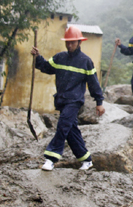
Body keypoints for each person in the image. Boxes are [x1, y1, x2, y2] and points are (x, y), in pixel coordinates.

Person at [31, 26, 105, 171]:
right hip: (62, 100)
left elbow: (93, 83)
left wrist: (99, 102)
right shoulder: (60, 58)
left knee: (63, 125)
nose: (69, 45)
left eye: (72, 42)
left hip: (75, 101)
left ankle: (51, 159)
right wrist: (37, 57)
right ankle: (86, 159)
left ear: (79, 42)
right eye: (67, 42)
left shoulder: (86, 61)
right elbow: (46, 67)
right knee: (71, 130)